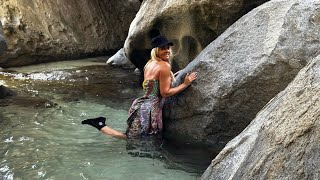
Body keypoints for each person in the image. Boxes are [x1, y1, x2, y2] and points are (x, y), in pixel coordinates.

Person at [82, 35, 197, 140]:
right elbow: (165, 93)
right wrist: (185, 84)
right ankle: (100, 125)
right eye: (163, 48)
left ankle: (100, 124)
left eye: (168, 47)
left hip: (141, 105)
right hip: (150, 110)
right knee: (134, 139)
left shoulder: (149, 64)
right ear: (156, 50)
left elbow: (155, 84)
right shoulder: (164, 66)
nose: (167, 50)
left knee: (132, 137)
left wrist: (174, 76)